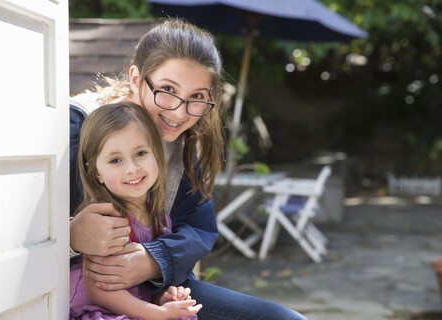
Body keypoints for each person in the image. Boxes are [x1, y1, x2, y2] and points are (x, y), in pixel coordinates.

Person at [69, 18, 307, 320]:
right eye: (167, 89)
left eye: (196, 97)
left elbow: (198, 228)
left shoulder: (182, 144)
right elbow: (19, 232)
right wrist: (70, 238)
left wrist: (155, 261)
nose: (179, 113)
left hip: (154, 289)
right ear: (135, 78)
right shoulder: (80, 127)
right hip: (87, 299)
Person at [70, 102, 202, 320]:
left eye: (140, 153)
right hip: (98, 311)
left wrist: (164, 297)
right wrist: (156, 313)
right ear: (96, 173)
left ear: (156, 154)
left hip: (136, 309)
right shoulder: (106, 219)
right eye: (115, 160)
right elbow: (101, 289)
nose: (132, 168)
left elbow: (149, 284)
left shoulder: (158, 213)